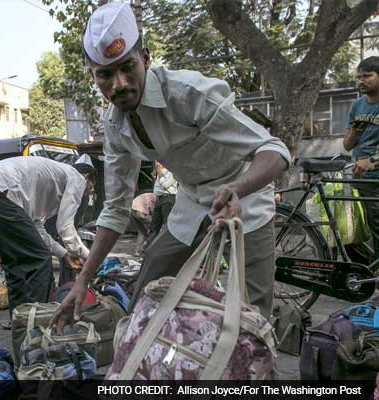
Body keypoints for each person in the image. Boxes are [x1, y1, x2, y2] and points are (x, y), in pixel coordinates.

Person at [51, 2, 290, 328]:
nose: (118, 84)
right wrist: (83, 280)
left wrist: (237, 187)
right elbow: (116, 210)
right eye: (105, 75)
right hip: (191, 200)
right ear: (94, 76)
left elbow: (273, 150)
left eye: (128, 67)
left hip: (244, 195)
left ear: (145, 59)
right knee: (146, 295)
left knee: (250, 319)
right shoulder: (114, 124)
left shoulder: (188, 92)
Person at [0, 156, 96, 328]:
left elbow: (37, 228)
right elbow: (65, 227)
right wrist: (90, 256)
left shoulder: (48, 187)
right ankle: (38, 325)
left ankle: (19, 322)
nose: (86, 193)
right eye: (89, 189)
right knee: (40, 259)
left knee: (14, 262)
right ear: (87, 177)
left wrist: (64, 254)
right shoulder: (76, 178)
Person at [343, 56, 379, 305]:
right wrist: (354, 130)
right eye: (359, 76)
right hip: (358, 177)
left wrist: (374, 159)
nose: (361, 81)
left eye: (367, 76)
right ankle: (366, 281)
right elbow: (347, 144)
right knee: (351, 232)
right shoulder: (357, 106)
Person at [148, 161, 176, 243]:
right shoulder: (159, 171)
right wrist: (156, 175)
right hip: (159, 198)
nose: (157, 163)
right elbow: (157, 187)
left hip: (168, 198)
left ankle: (169, 244)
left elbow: (165, 185)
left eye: (158, 161)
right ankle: (149, 246)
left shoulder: (171, 171)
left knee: (167, 224)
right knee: (154, 225)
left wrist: (160, 174)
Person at [130, 192, 155, 256]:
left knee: (141, 232)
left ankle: (137, 252)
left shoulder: (149, 195)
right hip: (141, 211)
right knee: (155, 228)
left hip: (132, 210)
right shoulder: (155, 198)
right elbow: (152, 210)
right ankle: (148, 248)